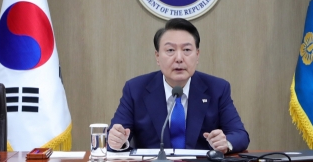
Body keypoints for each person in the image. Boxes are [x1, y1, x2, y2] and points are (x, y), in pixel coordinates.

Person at [107, 18, 250, 153]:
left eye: (187, 50)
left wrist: (225, 142)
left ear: (197, 55)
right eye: (170, 50)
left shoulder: (217, 88)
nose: (179, 58)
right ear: (157, 56)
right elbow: (113, 138)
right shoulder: (135, 89)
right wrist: (117, 141)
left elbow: (240, 135)